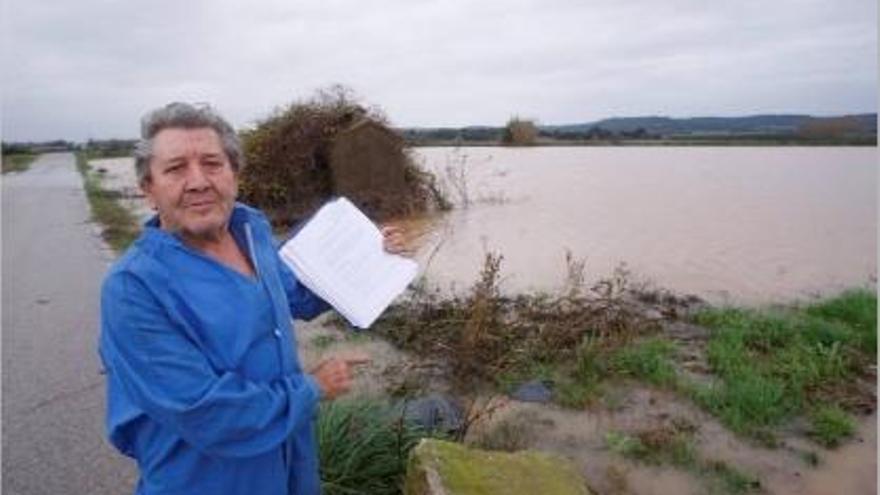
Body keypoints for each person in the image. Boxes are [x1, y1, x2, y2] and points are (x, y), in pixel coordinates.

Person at [98, 102, 409, 495]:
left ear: (234, 174)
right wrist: (312, 389)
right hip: (204, 482)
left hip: (289, 467)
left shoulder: (250, 231)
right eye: (176, 168)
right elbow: (205, 413)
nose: (198, 181)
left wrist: (370, 254)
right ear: (148, 190)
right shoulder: (133, 289)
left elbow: (295, 293)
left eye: (212, 163)